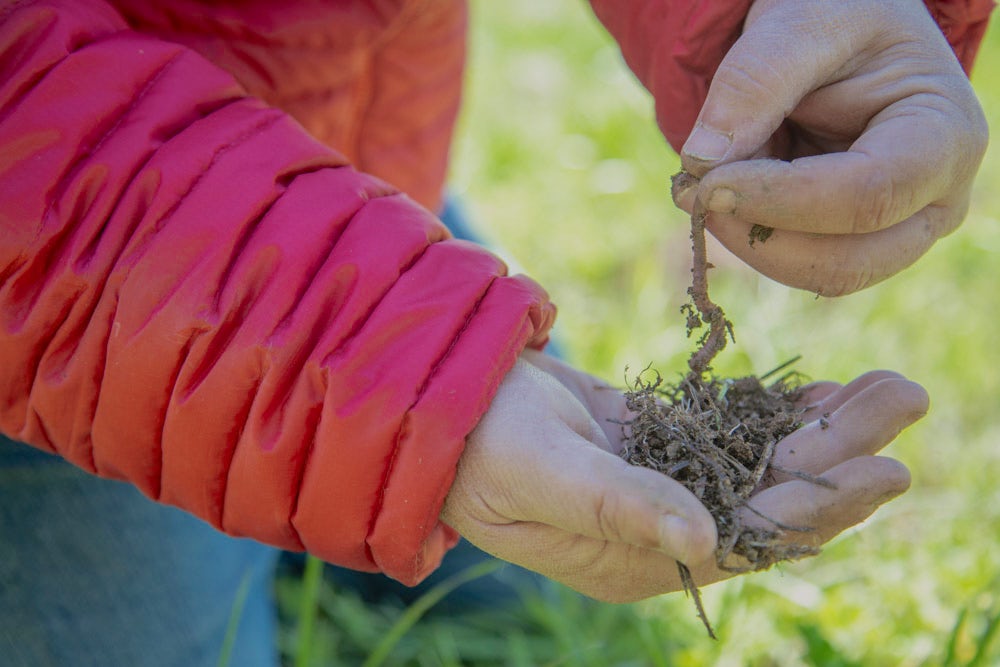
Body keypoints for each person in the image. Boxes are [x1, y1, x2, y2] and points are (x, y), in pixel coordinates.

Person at [0, 0, 989, 664]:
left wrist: (774, 13)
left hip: (344, 172)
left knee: (521, 595)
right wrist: (387, 363)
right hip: (77, 274)